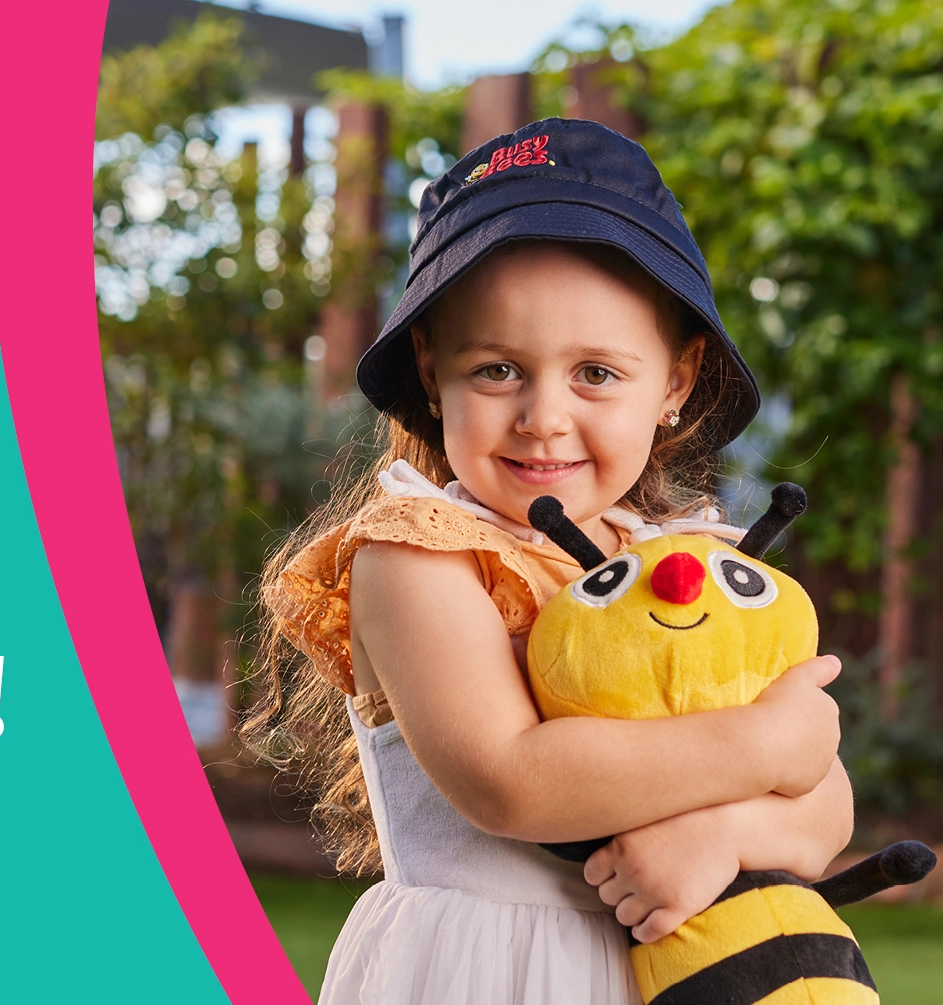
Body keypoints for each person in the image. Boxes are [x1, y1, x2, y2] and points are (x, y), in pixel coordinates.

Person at [242, 119, 852, 1004]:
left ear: (674, 384)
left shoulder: (687, 566)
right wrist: (763, 743)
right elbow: (509, 780)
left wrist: (725, 836)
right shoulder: (417, 555)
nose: (543, 416)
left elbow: (825, 808)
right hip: (485, 974)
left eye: (596, 373)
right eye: (497, 369)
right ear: (431, 366)